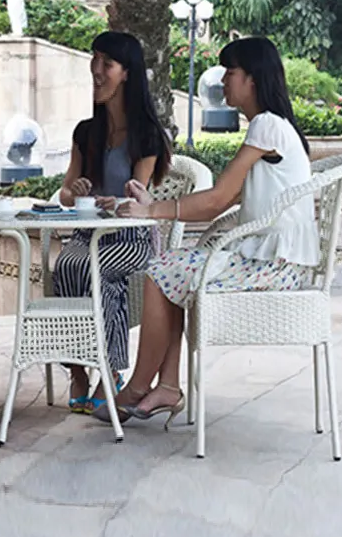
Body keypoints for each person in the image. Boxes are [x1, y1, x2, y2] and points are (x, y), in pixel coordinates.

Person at [94, 36, 317, 428]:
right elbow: (234, 200)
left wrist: (153, 211)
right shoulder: (274, 128)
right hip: (275, 260)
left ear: (253, 79)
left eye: (231, 72)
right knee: (172, 268)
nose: (223, 81)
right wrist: (153, 203)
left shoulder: (266, 125)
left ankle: (138, 386)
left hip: (275, 266)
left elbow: (218, 199)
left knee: (160, 272)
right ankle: (165, 386)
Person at [53, 31, 171, 414]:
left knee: (95, 270)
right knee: (66, 267)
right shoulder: (86, 132)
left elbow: (140, 195)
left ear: (127, 74)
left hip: (132, 236)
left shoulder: (146, 135)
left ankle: (110, 371)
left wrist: (117, 199)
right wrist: (78, 190)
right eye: (95, 60)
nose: (96, 70)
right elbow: (65, 193)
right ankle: (78, 369)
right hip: (89, 234)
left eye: (107, 63)